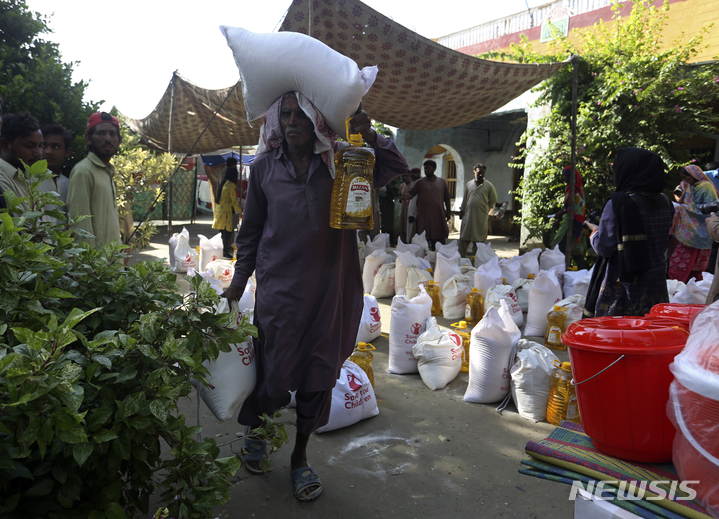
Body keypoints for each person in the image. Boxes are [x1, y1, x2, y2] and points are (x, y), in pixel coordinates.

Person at [220, 92, 408, 501]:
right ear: (276, 122)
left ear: (317, 122)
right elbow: (249, 233)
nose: (292, 122)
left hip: (333, 291)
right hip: (281, 292)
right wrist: (237, 283)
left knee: (318, 377)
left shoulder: (344, 162)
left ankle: (300, 458)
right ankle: (258, 429)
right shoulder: (265, 168)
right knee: (274, 373)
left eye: (301, 114)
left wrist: (367, 132)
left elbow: (395, 166)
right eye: (285, 115)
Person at [583, 147, 675, 318]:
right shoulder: (666, 201)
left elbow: (604, 247)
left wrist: (594, 231)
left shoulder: (619, 203)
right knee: (648, 330)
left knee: (618, 334)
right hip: (656, 282)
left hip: (623, 285)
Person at [66, 112, 122, 247]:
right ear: (88, 138)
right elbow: (80, 226)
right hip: (96, 266)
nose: (108, 138)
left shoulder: (107, 171)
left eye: (113, 134)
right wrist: (89, 266)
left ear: (119, 141)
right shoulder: (83, 171)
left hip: (112, 264)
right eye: (101, 133)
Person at [668, 165, 718, 283]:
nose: (684, 180)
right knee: (685, 263)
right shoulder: (690, 185)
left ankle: (684, 286)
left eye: (686, 177)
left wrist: (682, 208)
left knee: (688, 264)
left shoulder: (706, 187)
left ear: (694, 176)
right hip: (689, 229)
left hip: (698, 230)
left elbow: (710, 209)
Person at [0, 112, 44, 215]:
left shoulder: (28, 177)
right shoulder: (2, 178)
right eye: (29, 145)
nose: (38, 153)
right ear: (5, 145)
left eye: (41, 146)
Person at [404, 160, 451, 250]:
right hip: (423, 216)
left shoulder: (441, 182)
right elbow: (411, 193)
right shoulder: (420, 182)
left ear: (434, 169)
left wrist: (448, 212)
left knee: (438, 239)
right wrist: (405, 196)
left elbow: (447, 198)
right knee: (423, 239)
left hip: (438, 215)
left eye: (428, 168)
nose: (426, 170)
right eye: (425, 168)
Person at [550, 165, 588, 269]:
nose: (563, 177)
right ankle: (575, 271)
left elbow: (574, 208)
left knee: (559, 246)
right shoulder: (571, 188)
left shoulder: (574, 190)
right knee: (574, 250)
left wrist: (561, 214)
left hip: (573, 221)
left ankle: (559, 271)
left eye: (565, 175)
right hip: (571, 220)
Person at [457, 163, 497, 257]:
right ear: (474, 172)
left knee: (479, 242)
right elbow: (465, 199)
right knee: (464, 239)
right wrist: (462, 210)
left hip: (480, 217)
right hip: (468, 216)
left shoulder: (489, 186)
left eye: (483, 173)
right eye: (479, 173)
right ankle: (461, 260)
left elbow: (493, 200)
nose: (481, 175)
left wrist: (485, 208)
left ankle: (476, 262)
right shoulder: (469, 184)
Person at [40, 123, 72, 222]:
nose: (48, 151)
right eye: (44, 146)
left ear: (67, 152)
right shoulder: (29, 182)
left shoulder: (69, 184)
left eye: (56, 147)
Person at [212, 158, 241, 258]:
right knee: (227, 233)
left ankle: (221, 250)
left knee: (222, 232)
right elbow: (233, 200)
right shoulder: (231, 185)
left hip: (220, 211)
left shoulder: (224, 182)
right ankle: (224, 251)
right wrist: (239, 211)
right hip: (226, 213)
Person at [398, 168, 419, 242]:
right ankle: (404, 242)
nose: (404, 178)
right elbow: (400, 196)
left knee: (410, 226)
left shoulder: (414, 185)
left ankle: (411, 241)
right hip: (404, 208)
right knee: (403, 225)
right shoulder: (402, 186)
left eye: (406, 176)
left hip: (411, 209)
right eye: (403, 176)